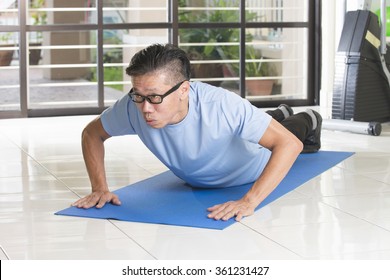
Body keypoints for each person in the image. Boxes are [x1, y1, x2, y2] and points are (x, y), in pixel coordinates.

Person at [72, 43, 322, 222]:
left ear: (184, 90)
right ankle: (278, 113)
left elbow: (289, 145)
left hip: (253, 161)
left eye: (155, 97)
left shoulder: (222, 105)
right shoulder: (132, 106)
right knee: (258, 120)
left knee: (289, 131)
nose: (145, 108)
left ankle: (308, 117)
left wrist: (249, 201)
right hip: (210, 163)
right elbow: (91, 134)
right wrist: (99, 187)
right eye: (139, 96)